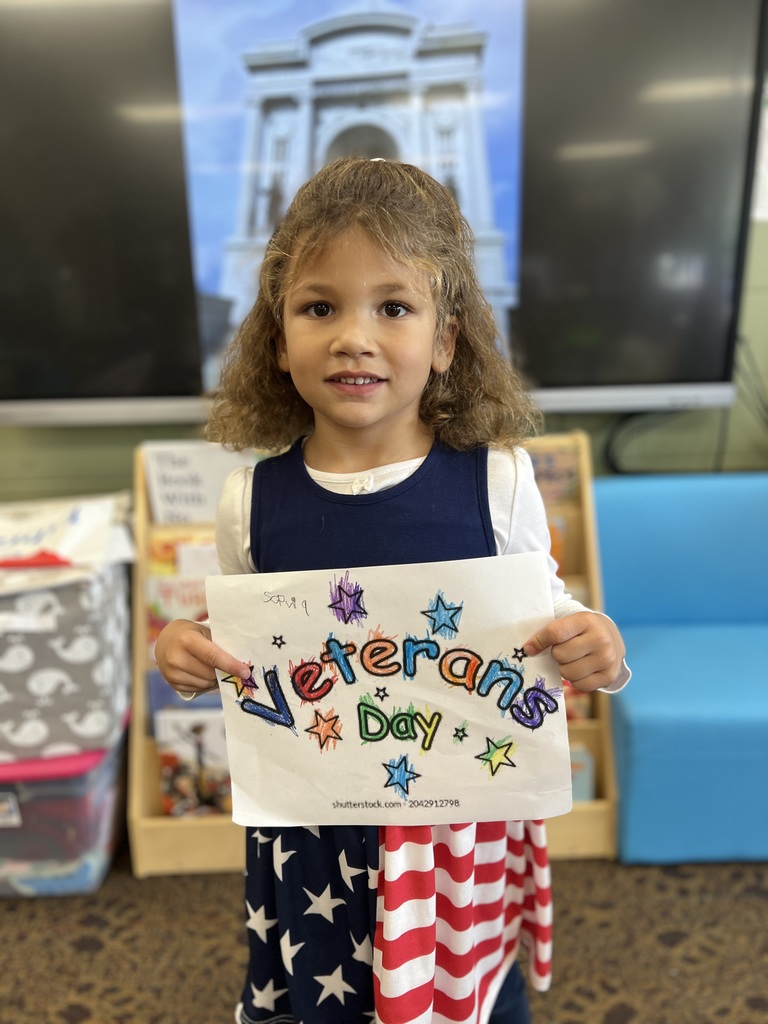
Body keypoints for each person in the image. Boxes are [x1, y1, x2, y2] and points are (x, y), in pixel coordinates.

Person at [155, 157, 628, 1024]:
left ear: (446, 339)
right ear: (276, 337)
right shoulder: (249, 503)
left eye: (395, 307)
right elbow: (250, 641)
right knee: (326, 992)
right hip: (315, 831)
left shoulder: (499, 483)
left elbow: (549, 614)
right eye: (319, 307)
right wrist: (182, 649)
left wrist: (592, 640)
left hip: (457, 836)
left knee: (475, 987)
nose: (353, 336)